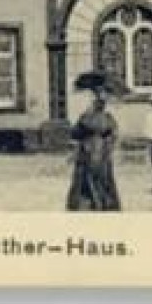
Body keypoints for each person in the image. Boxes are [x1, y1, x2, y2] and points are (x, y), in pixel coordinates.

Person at [66, 72, 120, 211]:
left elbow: (79, 132)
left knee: (96, 179)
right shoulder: (96, 114)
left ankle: (97, 204)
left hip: (96, 150)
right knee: (91, 179)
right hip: (92, 151)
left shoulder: (100, 113)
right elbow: (78, 132)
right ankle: (97, 204)